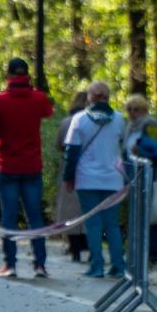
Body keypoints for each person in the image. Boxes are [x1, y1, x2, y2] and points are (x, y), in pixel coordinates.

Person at [0, 58, 54, 279]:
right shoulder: (38, 98)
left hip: (7, 166)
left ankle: (9, 264)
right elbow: (48, 112)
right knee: (35, 217)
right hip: (32, 166)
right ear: (27, 76)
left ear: (8, 76)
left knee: (9, 216)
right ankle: (40, 265)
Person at [63, 80, 127, 278]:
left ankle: (96, 265)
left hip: (87, 178)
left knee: (92, 224)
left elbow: (71, 152)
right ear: (107, 97)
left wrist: (68, 177)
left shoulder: (79, 119)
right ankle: (118, 265)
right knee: (112, 224)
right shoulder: (119, 119)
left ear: (90, 97)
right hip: (112, 179)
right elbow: (124, 148)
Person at [124, 94, 157, 264]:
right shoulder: (130, 127)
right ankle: (140, 251)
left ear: (144, 109)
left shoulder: (151, 125)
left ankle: (154, 253)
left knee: (153, 213)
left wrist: (141, 152)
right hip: (135, 176)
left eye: (135, 109)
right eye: (129, 109)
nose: (132, 113)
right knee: (140, 213)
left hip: (152, 174)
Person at [53, 91, 90, 263]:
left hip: (70, 168)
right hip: (90, 168)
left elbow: (59, 145)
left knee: (70, 210)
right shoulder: (96, 122)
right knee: (89, 209)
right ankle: (91, 247)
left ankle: (74, 249)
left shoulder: (66, 122)